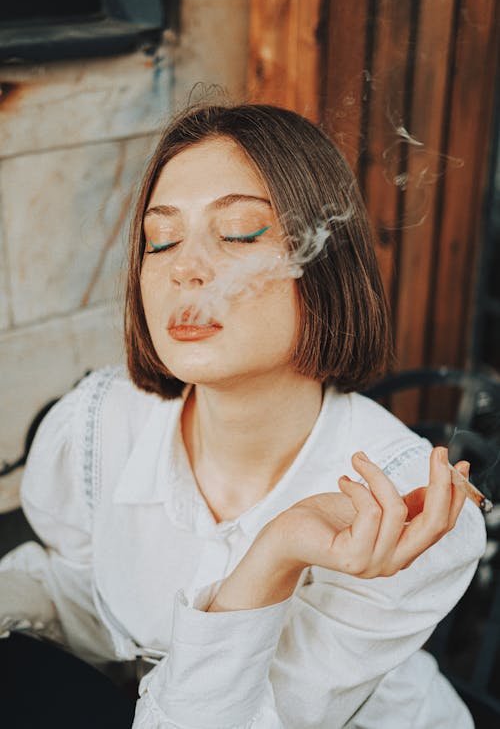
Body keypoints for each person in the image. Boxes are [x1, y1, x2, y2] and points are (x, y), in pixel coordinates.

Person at [0, 103, 486, 728]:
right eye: (161, 239)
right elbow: (84, 591)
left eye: (238, 234)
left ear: (322, 268)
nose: (184, 267)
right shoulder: (102, 422)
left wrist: (275, 555)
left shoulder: (403, 508)